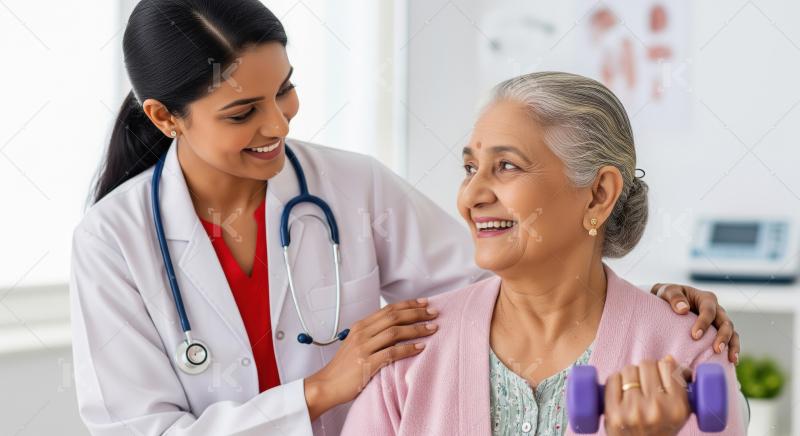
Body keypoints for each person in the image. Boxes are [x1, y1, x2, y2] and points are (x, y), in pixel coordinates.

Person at [69, 1, 742, 434]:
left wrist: (663, 311)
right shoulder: (112, 245)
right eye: (243, 112)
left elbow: (516, 270)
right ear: (164, 118)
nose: (278, 124)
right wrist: (322, 391)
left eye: (286, 90)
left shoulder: (347, 185)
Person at [340, 72, 747, 435]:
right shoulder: (409, 349)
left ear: (599, 194)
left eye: (507, 166)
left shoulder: (687, 355)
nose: (471, 195)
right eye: (470, 169)